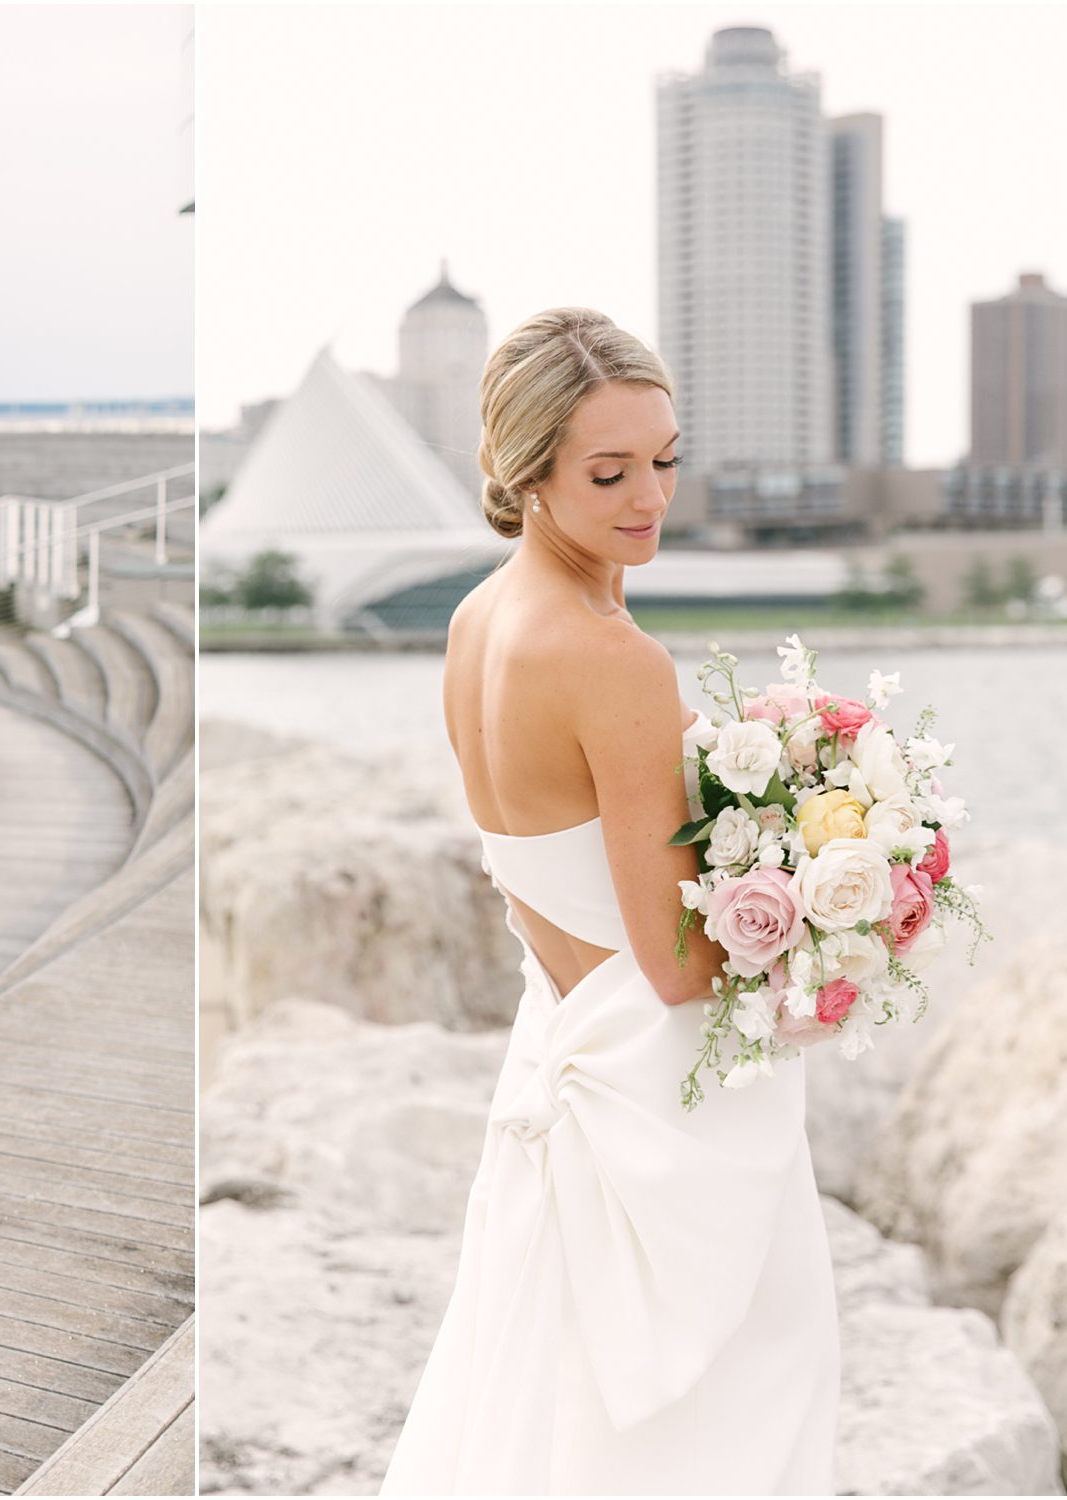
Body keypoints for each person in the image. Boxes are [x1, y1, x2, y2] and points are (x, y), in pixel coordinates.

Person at [378, 310, 839, 1494]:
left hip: (559, 1036)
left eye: (663, 460)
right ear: (525, 471)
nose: (649, 497)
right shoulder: (605, 655)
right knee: (734, 1406)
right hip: (658, 1073)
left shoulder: (476, 621)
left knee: (553, 1403)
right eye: (608, 471)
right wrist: (821, 901)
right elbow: (680, 961)